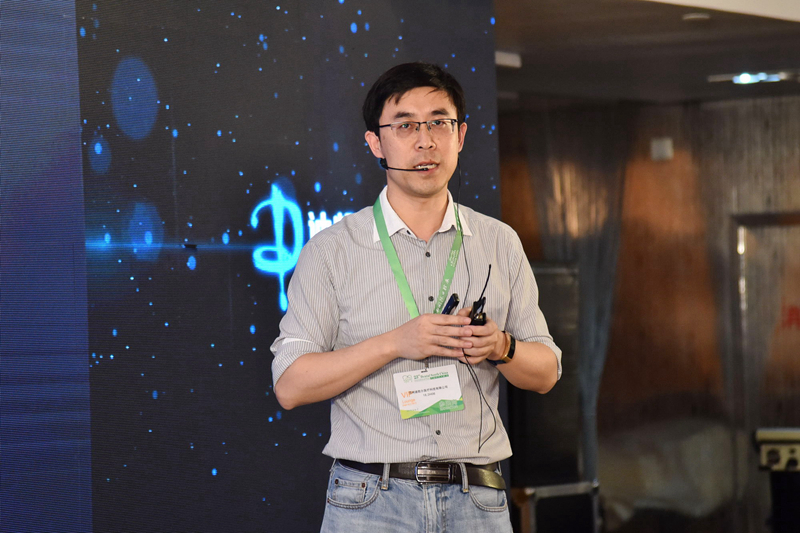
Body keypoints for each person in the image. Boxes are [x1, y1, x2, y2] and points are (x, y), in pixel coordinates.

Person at [270, 62, 561, 532]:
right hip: (371, 499)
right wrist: (394, 343)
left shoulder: (499, 242)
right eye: (405, 126)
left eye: (439, 123)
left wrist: (500, 346)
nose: (425, 142)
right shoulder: (332, 250)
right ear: (375, 143)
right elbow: (290, 385)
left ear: (460, 136)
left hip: (476, 499)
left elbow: (547, 372)